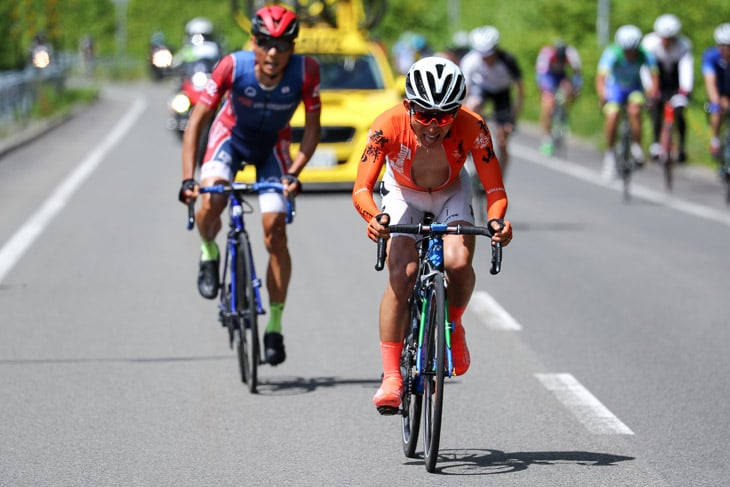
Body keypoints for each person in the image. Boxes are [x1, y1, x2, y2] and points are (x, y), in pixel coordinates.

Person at [351, 57, 513, 412]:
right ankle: (392, 377)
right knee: (402, 273)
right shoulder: (387, 125)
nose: (434, 125)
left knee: (457, 263)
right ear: (409, 105)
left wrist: (498, 221)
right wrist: (375, 217)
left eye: (444, 115)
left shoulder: (474, 126)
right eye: (425, 114)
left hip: (450, 190)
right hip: (401, 191)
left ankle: (453, 324)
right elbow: (361, 188)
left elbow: (496, 192)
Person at [178, 5, 321, 365]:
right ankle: (209, 250)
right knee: (212, 199)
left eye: (282, 45)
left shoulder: (306, 72)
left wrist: (296, 172)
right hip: (229, 137)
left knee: (275, 230)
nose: (273, 53)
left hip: (273, 146)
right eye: (265, 43)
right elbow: (197, 121)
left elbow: (313, 128)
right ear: (254, 43)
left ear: (293, 47)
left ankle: (273, 325)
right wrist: (188, 179)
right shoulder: (233, 65)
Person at [595, 25, 659, 180]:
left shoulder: (645, 54)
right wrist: (602, 95)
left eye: (633, 50)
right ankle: (609, 155)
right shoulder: (612, 53)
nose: (630, 54)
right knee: (612, 115)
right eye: (626, 50)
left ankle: (636, 146)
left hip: (634, 87)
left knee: (635, 111)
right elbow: (601, 78)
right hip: (615, 88)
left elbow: (654, 77)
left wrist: (653, 95)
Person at [460, 25, 524, 177]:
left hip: (502, 92)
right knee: (472, 105)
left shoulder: (508, 60)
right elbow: (465, 92)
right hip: (482, 88)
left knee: (502, 141)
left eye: (489, 55)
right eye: (482, 55)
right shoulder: (470, 61)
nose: (486, 59)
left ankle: (499, 180)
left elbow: (521, 92)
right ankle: (469, 143)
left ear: (496, 49)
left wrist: (513, 117)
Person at [641, 14, 694, 163]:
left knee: (679, 111)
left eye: (670, 38)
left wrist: (685, 90)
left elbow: (686, 68)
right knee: (655, 109)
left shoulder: (683, 45)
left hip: (675, 81)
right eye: (664, 37)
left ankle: (682, 147)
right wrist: (650, 89)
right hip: (657, 78)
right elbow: (646, 69)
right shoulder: (649, 43)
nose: (666, 41)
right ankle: (656, 142)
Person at [535, 39, 583, 156]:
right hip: (548, 76)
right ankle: (546, 138)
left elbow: (577, 73)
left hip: (561, 75)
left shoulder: (571, 54)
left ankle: (565, 111)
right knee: (548, 104)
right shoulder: (547, 53)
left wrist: (576, 88)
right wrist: (543, 91)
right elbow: (540, 75)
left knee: (572, 90)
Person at [701, 23, 730, 161]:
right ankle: (715, 141)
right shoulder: (711, 56)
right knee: (717, 110)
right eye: (722, 46)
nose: (725, 50)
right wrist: (716, 101)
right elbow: (710, 82)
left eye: (728, 46)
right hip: (718, 92)